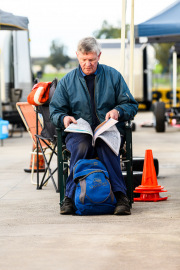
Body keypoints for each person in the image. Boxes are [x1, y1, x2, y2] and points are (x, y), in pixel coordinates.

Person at [50, 37, 138, 215]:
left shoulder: (113, 76)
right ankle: (69, 197)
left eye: (92, 59)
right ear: (77, 56)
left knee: (105, 145)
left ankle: (121, 197)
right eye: (83, 60)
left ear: (99, 55)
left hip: (108, 131)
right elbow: (55, 111)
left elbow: (131, 104)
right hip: (79, 132)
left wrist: (118, 111)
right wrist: (64, 118)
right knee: (82, 145)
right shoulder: (67, 81)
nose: (87, 64)